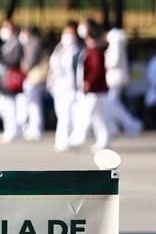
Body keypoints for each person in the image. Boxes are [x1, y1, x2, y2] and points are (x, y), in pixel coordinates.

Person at [69, 22, 110, 150]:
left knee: (86, 114)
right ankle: (103, 141)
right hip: (96, 90)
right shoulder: (92, 51)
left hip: (94, 90)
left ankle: (78, 138)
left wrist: (88, 82)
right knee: (98, 117)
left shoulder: (95, 52)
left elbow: (96, 69)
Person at [103, 27, 143, 138]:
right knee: (113, 103)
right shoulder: (118, 43)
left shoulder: (115, 44)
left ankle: (131, 123)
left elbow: (113, 61)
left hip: (114, 78)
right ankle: (116, 126)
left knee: (111, 103)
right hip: (116, 77)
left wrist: (103, 61)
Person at [47, 22, 81, 152]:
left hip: (70, 87)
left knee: (65, 115)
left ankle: (62, 141)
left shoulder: (77, 51)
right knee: (61, 113)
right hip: (57, 86)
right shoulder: (58, 49)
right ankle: (69, 138)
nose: (67, 36)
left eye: (70, 33)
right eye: (66, 33)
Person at [0, 20, 25, 143]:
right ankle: (12, 128)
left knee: (10, 105)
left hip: (11, 78)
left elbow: (14, 60)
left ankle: (11, 130)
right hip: (3, 78)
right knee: (1, 104)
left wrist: (0, 59)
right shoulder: (6, 43)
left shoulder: (16, 43)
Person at [17, 26, 45, 141]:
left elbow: (30, 61)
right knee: (32, 104)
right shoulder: (30, 43)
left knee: (34, 104)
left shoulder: (34, 42)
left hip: (33, 76)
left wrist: (24, 67)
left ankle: (36, 127)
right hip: (31, 76)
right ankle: (33, 127)